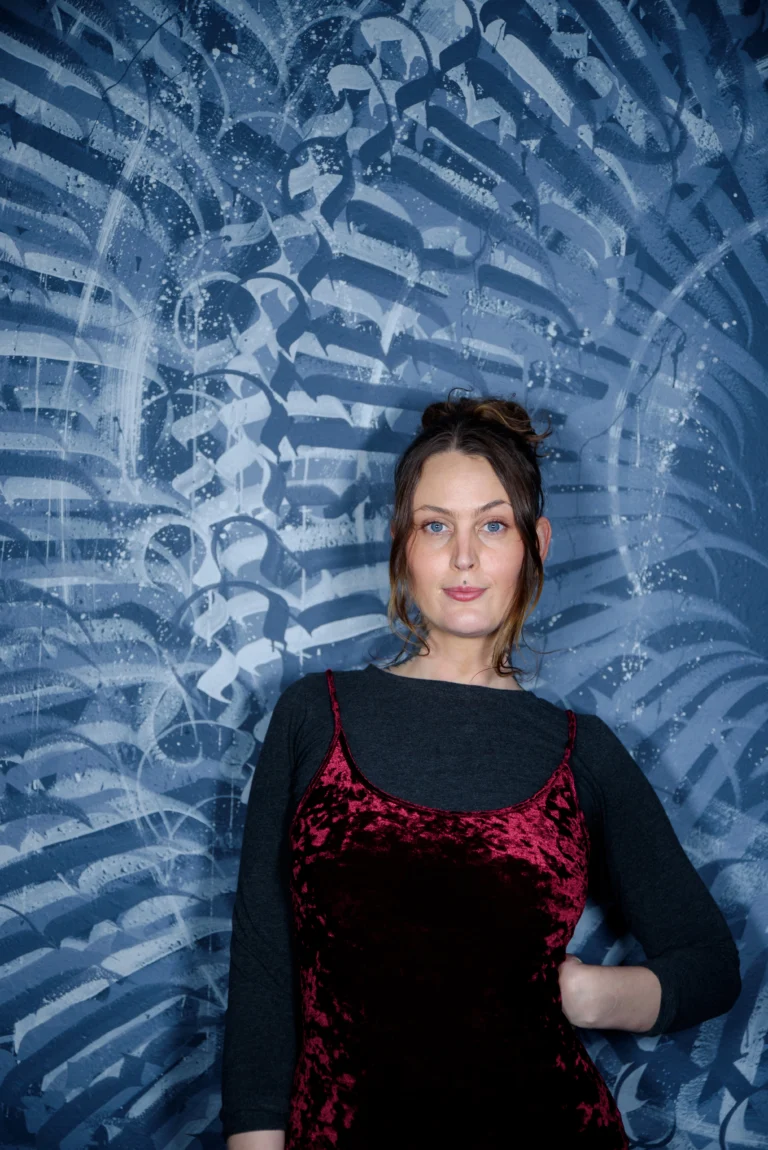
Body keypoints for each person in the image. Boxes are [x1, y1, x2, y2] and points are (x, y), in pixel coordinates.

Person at [220, 395, 741, 1149]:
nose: (463, 557)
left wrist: (595, 995)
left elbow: (711, 965)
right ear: (401, 543)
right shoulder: (313, 716)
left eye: (492, 526)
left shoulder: (582, 751)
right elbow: (264, 972)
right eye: (436, 526)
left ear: (536, 542)